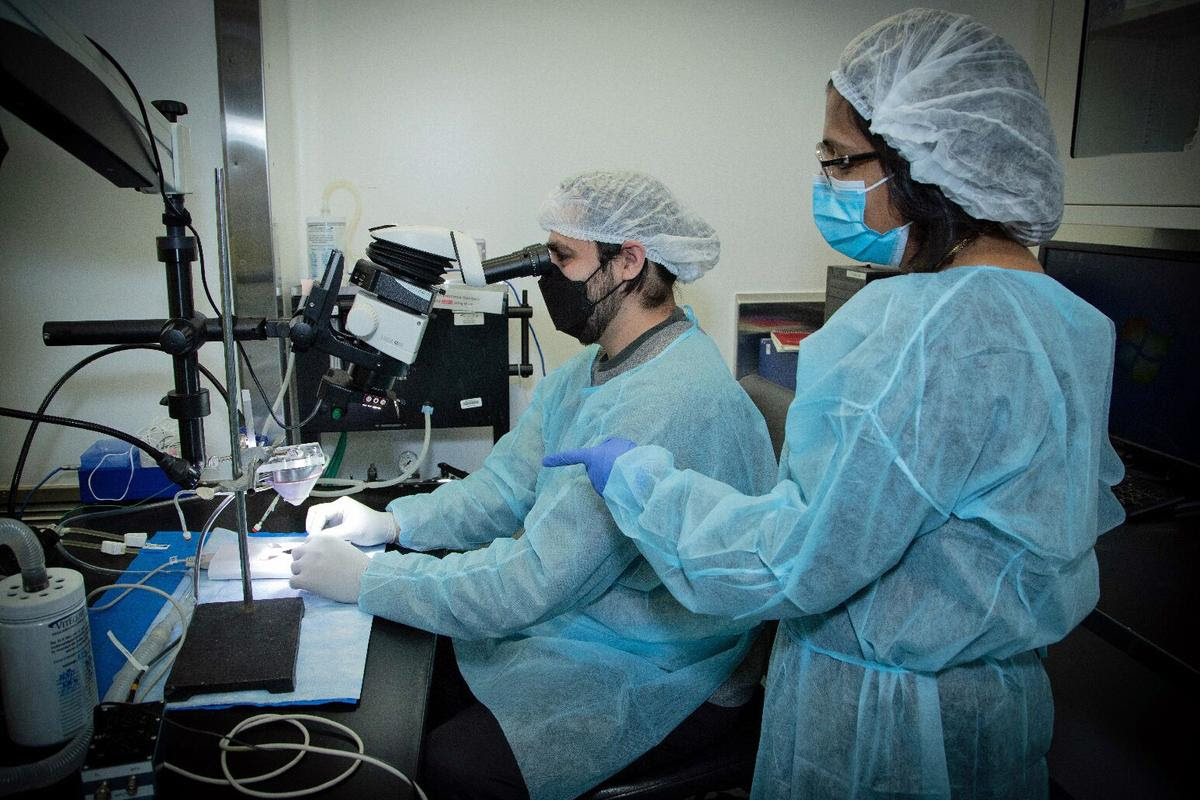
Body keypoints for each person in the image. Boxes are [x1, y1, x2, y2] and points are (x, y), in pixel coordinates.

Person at [543, 10, 1126, 799]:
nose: (830, 187)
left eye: (841, 162)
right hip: (989, 714)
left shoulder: (923, 332)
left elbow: (790, 560)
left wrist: (642, 483)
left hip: (883, 734)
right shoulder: (1064, 320)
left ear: (926, 158)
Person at [289, 170, 778, 800]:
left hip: (673, 665)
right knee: (415, 668)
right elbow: (503, 489)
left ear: (628, 261)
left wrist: (368, 579)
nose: (547, 276)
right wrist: (393, 523)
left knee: (451, 762)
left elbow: (531, 582)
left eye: (562, 256)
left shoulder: (670, 399)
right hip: (596, 623)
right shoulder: (591, 372)